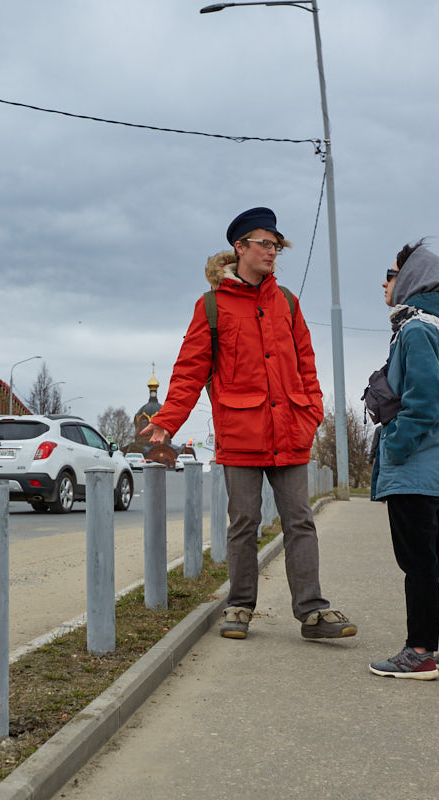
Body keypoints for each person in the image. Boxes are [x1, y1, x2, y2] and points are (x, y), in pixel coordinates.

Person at [139, 207, 357, 641]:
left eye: (276, 246)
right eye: (264, 244)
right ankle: (239, 607)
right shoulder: (213, 306)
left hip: (290, 433)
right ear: (239, 248)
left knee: (300, 521)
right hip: (241, 434)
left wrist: (311, 412)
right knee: (243, 523)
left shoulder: (288, 302)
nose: (272, 252)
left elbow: (306, 366)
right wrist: (167, 422)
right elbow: (188, 371)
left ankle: (312, 612)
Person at [367, 239, 439, 679]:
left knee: (418, 561)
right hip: (434, 464)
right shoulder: (434, 329)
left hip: (416, 463)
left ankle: (419, 652)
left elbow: (423, 401)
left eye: (392, 273)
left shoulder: (416, 330)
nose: (385, 282)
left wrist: (394, 445)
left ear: (412, 279)